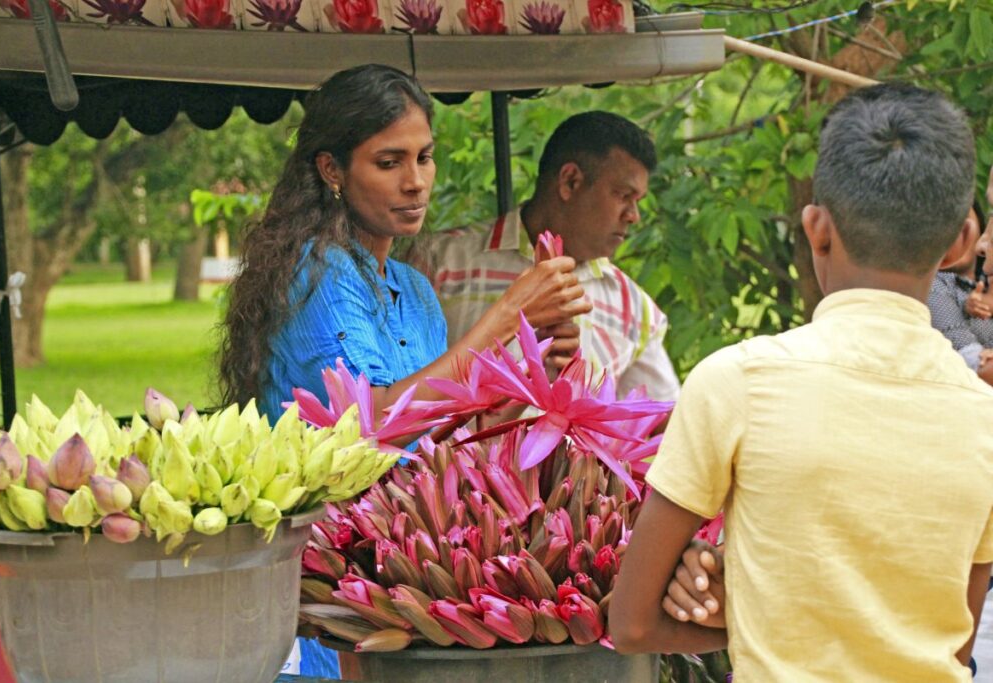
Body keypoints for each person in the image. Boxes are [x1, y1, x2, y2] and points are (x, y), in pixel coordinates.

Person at [609, 83, 993, 682]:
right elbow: (956, 647)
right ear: (961, 243)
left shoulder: (736, 383)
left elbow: (631, 625)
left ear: (816, 229)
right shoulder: (985, 418)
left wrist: (761, 609)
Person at [219, 64, 590, 678]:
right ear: (331, 170)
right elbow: (367, 430)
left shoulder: (414, 290)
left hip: (394, 574)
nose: (416, 182)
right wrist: (504, 317)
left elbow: (435, 438)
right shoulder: (317, 272)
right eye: (389, 163)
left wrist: (525, 374)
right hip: (315, 580)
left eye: (424, 157)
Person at [427, 112, 680, 402]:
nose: (634, 216)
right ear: (570, 181)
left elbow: (664, 420)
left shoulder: (632, 306)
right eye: (623, 195)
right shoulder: (441, 262)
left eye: (637, 202)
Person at [928, 185, 993, 385]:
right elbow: (972, 361)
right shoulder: (934, 287)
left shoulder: (987, 281)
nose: (955, 237)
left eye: (961, 226)